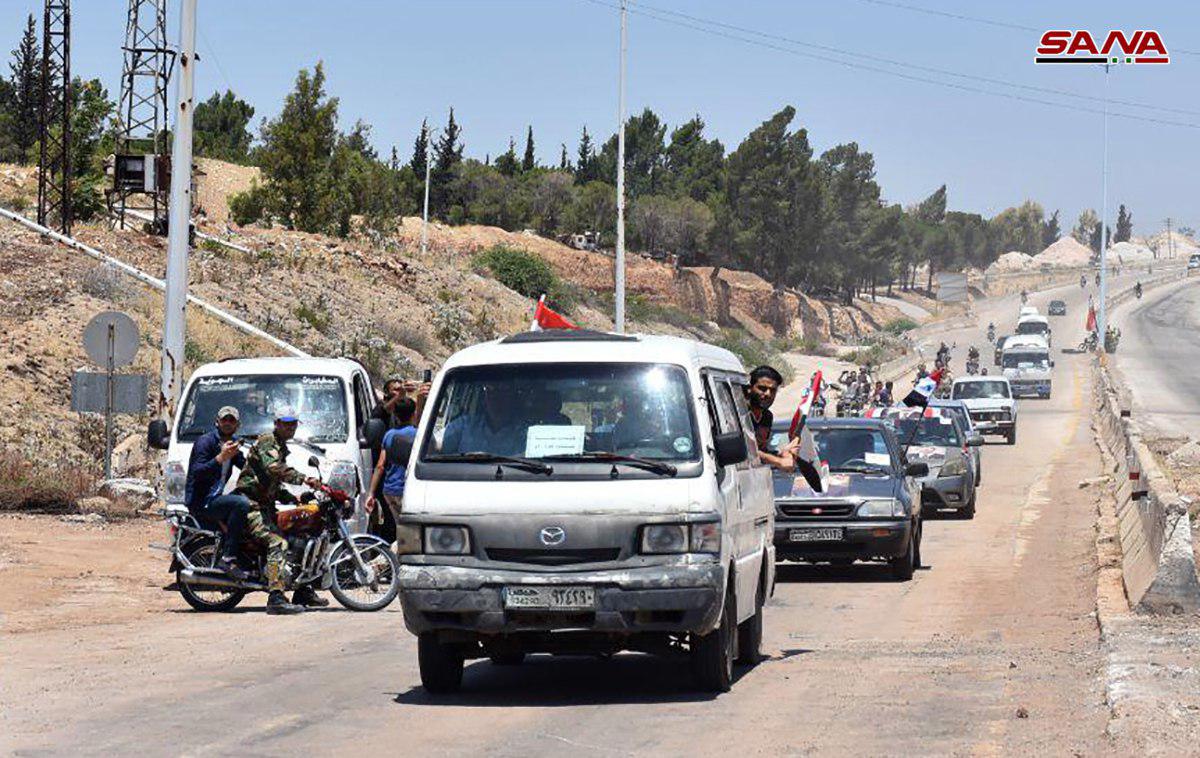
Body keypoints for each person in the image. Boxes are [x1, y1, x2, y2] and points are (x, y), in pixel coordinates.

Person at [235, 407, 322, 615]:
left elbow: (271, 484)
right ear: (277, 424)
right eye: (286, 423)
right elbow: (273, 469)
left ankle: (302, 589)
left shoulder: (280, 446)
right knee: (277, 542)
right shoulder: (267, 442)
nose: (290, 427)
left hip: (265, 505)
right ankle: (275, 597)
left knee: (296, 535)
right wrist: (305, 480)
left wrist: (295, 498)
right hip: (251, 506)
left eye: (293, 423)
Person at [184, 406, 250, 580]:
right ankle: (228, 558)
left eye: (232, 420)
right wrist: (220, 458)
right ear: (217, 422)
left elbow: (245, 466)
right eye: (224, 420)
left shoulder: (232, 444)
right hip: (202, 501)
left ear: (238, 424)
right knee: (241, 504)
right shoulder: (205, 442)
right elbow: (197, 472)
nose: (228, 423)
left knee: (249, 496)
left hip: (215, 498)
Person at [366, 398, 419, 553]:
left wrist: (371, 493)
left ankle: (393, 561)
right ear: (414, 414)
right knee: (410, 535)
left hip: (389, 491)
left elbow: (380, 465)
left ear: (395, 415)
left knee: (403, 531)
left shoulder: (389, 435)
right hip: (407, 491)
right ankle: (381, 564)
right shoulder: (419, 435)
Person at [744, 365, 801, 470]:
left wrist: (783, 453)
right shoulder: (740, 414)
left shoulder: (767, 417)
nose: (768, 394)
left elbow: (761, 451)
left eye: (772, 390)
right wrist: (779, 461)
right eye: (762, 388)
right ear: (749, 389)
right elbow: (745, 450)